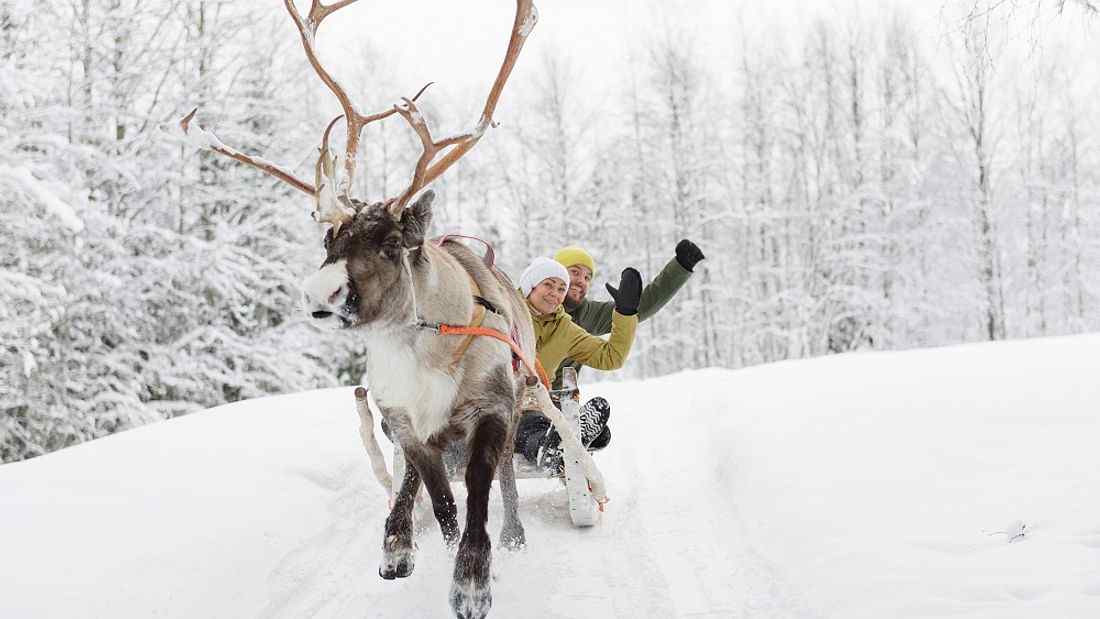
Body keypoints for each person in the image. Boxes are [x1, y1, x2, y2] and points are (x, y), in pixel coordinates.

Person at [547, 240, 705, 450]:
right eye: (574, 272)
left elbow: (636, 310)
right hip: (525, 400)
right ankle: (556, 442)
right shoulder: (533, 306)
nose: (581, 281)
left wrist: (680, 267)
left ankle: (561, 444)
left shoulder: (587, 314)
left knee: (602, 435)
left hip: (561, 407)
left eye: (587, 277)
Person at [512, 256, 642, 474]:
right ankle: (553, 448)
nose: (555, 293)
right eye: (548, 285)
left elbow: (611, 357)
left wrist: (625, 313)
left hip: (538, 405)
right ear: (530, 285)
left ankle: (560, 445)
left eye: (562, 288)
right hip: (497, 404)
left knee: (598, 432)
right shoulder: (505, 315)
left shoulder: (564, 328)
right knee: (530, 426)